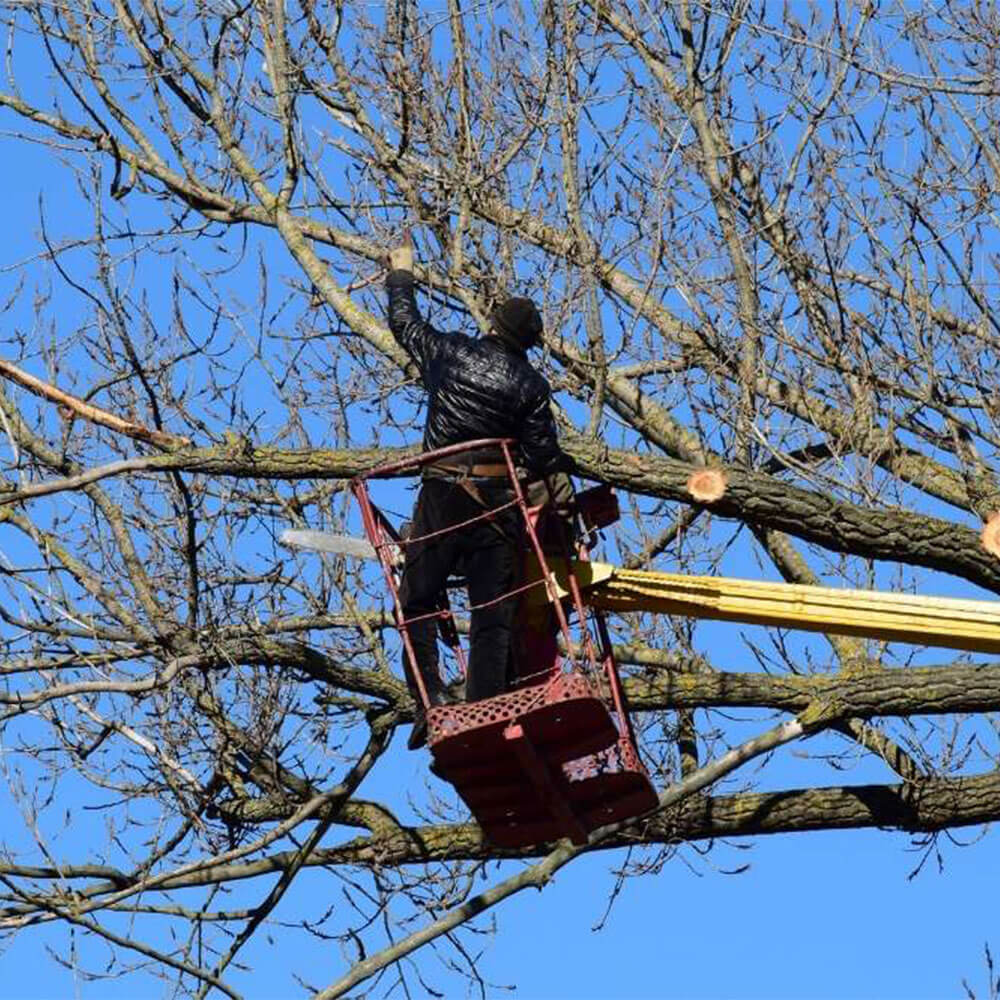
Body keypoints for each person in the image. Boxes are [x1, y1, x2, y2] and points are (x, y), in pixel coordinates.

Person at [385, 235, 573, 749]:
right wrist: (566, 493)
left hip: (443, 496)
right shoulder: (531, 386)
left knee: (418, 600)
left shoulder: (451, 351)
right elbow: (543, 457)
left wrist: (401, 275)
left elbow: (404, 325)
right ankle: (486, 712)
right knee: (494, 612)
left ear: (494, 325)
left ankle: (429, 702)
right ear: (528, 343)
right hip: (497, 508)